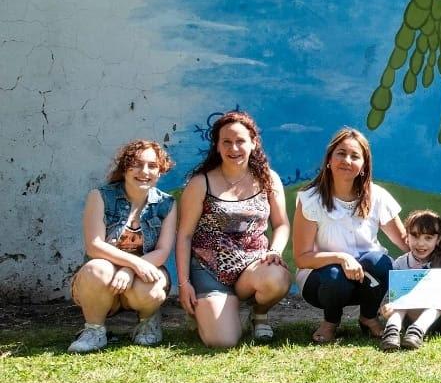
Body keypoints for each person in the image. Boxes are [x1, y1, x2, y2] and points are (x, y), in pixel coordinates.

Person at [175, 111, 291, 348]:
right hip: (210, 272)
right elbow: (185, 235)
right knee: (222, 341)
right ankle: (212, 310)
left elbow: (281, 225)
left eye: (240, 141)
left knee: (276, 278)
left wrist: (275, 251)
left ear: (253, 143)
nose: (234, 148)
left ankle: (259, 314)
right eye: (226, 141)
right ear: (217, 146)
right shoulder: (200, 183)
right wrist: (184, 283)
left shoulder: (269, 179)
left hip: (252, 267)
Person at [292, 128, 404, 343]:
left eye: (355, 156)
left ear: (363, 165)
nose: (347, 160)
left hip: (367, 280)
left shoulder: (377, 196)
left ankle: (369, 317)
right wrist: (342, 258)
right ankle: (331, 322)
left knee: (380, 262)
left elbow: (405, 241)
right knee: (335, 275)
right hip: (322, 282)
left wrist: (437, 255)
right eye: (341, 153)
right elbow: (302, 257)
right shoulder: (310, 199)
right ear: (329, 159)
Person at [68, 140, 178, 353]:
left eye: (152, 166)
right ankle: (94, 331)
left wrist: (130, 270)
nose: (144, 171)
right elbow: (94, 246)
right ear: (125, 167)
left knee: (152, 284)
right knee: (96, 268)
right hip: (104, 280)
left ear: (160, 170)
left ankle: (147, 322)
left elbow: (162, 251)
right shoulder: (100, 196)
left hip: (141, 277)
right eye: (136, 164)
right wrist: (132, 263)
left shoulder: (167, 204)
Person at [379, 209, 441, 351]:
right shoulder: (400, 263)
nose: (421, 243)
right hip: (412, 319)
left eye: (428, 238)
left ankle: (418, 330)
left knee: (440, 292)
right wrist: (387, 309)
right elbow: (391, 300)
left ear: (438, 240)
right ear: (407, 237)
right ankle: (392, 330)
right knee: (401, 299)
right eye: (415, 236)